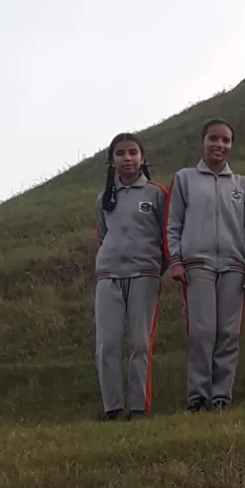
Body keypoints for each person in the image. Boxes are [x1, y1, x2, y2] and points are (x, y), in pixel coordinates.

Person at [167, 120, 245, 412]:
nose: (219, 145)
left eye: (226, 140)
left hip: (234, 266)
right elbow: (173, 223)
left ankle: (221, 395)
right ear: (203, 141)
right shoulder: (184, 179)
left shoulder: (242, 185)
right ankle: (198, 396)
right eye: (213, 139)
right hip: (198, 265)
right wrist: (175, 260)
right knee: (202, 331)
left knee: (229, 333)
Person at [93, 133, 169, 419]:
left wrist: (158, 267)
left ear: (142, 158)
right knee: (107, 344)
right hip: (108, 275)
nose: (127, 158)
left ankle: (138, 406)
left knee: (140, 343)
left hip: (145, 274)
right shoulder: (104, 198)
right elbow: (102, 235)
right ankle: (112, 407)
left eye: (133, 153)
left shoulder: (156, 193)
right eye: (120, 153)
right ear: (112, 160)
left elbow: (166, 235)